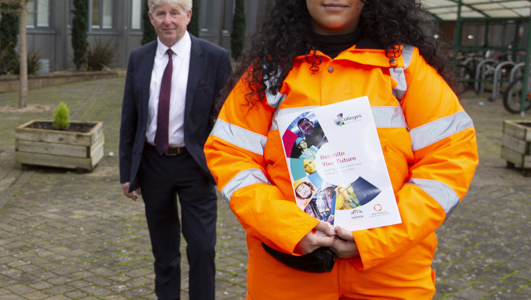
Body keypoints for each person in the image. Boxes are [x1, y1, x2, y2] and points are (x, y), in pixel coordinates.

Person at [204, 0, 478, 298]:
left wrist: (378, 238)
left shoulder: (403, 67)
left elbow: (450, 157)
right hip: (288, 269)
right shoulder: (271, 71)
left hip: (390, 271)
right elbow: (231, 155)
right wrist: (292, 229)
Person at [118, 0, 231, 298]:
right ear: (151, 17)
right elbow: (130, 118)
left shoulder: (215, 58)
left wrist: (225, 168)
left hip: (195, 165)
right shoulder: (139, 58)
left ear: (188, 16)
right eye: (160, 13)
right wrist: (127, 173)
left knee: (203, 248)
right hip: (153, 165)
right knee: (164, 253)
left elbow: (227, 120)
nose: (168, 20)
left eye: (174, 13)